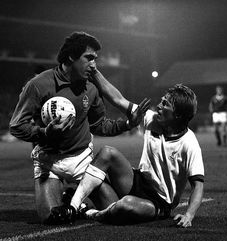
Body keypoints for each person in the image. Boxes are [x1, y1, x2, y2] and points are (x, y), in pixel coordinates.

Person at [9, 31, 150, 225]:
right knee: (52, 218)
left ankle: (78, 201)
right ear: (71, 57)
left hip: (82, 160)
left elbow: (99, 125)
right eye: (89, 58)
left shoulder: (90, 88)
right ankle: (74, 199)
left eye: (95, 59)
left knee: (114, 209)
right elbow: (16, 126)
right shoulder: (38, 85)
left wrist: (127, 124)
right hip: (50, 162)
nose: (94, 64)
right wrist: (44, 133)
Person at [62, 71, 204, 228]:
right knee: (107, 152)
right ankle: (73, 206)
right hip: (137, 180)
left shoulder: (189, 143)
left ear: (177, 115)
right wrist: (94, 72)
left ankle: (91, 213)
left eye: (165, 104)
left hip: (159, 202)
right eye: (162, 101)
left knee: (125, 204)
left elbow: (198, 186)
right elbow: (117, 99)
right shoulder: (152, 118)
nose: (159, 106)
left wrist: (189, 215)